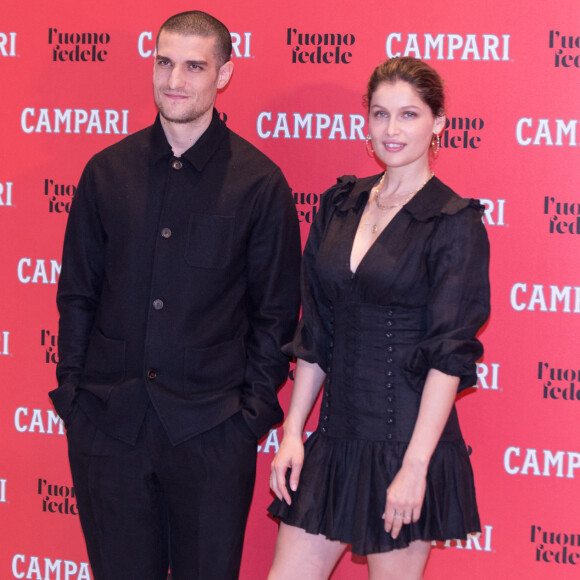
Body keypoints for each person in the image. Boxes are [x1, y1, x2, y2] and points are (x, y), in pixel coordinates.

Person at [49, 10, 301, 580]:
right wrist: (75, 397)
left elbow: (275, 316)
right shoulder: (105, 172)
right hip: (110, 430)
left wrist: (247, 421)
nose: (175, 80)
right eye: (164, 62)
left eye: (194, 66)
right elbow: (78, 294)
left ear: (225, 74)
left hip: (212, 436)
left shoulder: (260, 184)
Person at [268, 57, 490, 579]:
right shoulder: (339, 204)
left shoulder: (453, 222)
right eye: (380, 114)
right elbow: (317, 330)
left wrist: (415, 468)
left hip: (406, 442)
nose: (392, 130)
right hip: (336, 436)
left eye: (409, 115)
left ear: (438, 123)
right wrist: (294, 431)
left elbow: (448, 354)